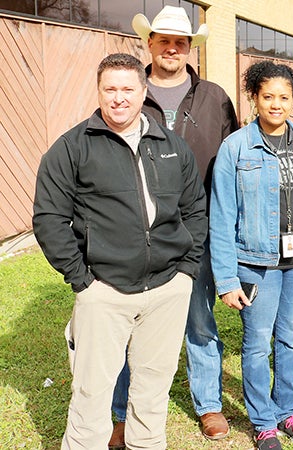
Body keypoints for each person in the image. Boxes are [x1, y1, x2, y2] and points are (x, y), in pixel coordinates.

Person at [33, 53, 207, 450]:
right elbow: (48, 218)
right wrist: (83, 280)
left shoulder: (171, 145)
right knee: (91, 395)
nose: (119, 98)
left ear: (143, 92)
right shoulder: (73, 147)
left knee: (152, 389)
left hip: (167, 290)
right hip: (104, 292)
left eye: (128, 89)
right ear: (98, 92)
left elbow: (195, 207)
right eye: (110, 89)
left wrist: (186, 271)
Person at [107, 6, 239, 446]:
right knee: (130, 323)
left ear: (190, 48)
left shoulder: (215, 97)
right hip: (136, 231)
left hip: (195, 228)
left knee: (199, 321)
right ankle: (123, 413)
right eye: (163, 40)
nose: (171, 48)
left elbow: (231, 163)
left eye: (179, 42)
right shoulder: (129, 92)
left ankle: (209, 405)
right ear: (149, 43)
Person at [209, 61, 293, 450]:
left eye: (284, 97)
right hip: (256, 262)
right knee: (257, 343)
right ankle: (263, 422)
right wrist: (227, 279)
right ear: (254, 98)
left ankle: (286, 411)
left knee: (290, 340)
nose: (276, 105)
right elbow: (222, 214)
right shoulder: (236, 147)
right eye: (268, 97)